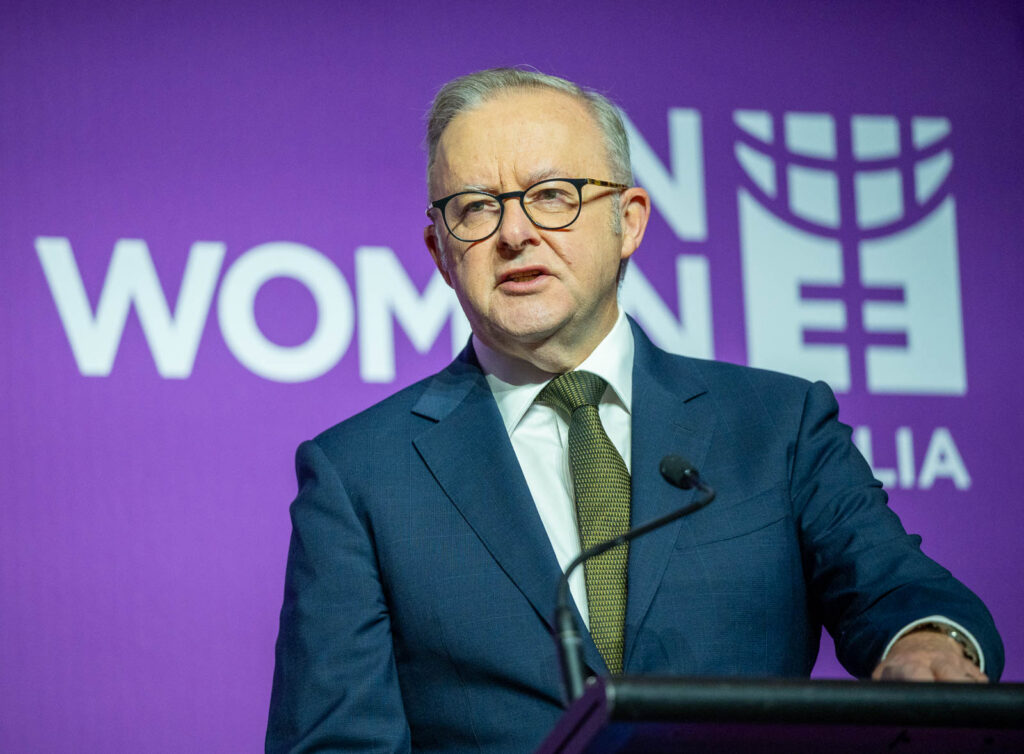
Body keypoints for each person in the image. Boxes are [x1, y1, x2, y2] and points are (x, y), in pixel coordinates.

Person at [266, 68, 1003, 753]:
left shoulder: (776, 425)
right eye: (476, 208)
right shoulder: (361, 475)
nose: (515, 232)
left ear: (630, 220)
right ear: (439, 251)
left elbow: (893, 585)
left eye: (552, 194)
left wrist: (926, 642)